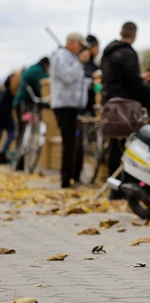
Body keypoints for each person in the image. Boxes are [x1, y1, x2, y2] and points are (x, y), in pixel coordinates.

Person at [101, 21, 150, 200]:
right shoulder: (128, 53)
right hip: (125, 106)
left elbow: (118, 78)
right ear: (134, 35)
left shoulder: (108, 53)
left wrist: (139, 78)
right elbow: (134, 86)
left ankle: (115, 189)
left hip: (110, 105)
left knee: (116, 145)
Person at [50, 32, 91, 188]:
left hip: (75, 106)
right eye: (80, 45)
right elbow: (67, 77)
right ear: (73, 43)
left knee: (77, 142)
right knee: (69, 143)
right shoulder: (61, 56)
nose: (81, 49)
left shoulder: (72, 58)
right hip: (65, 106)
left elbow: (77, 81)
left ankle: (75, 176)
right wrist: (80, 62)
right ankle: (65, 180)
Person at [13, 57, 50, 155]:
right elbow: (41, 85)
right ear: (47, 65)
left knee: (22, 129)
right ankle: (20, 155)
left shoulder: (33, 68)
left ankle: (18, 154)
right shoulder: (38, 71)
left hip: (22, 101)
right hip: (26, 102)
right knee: (24, 128)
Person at [0, 71, 21, 164]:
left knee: (8, 133)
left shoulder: (7, 89)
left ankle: (3, 153)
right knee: (12, 133)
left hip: (4, 113)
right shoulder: (12, 90)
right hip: (5, 114)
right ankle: (3, 153)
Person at [83, 34, 100, 116]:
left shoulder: (93, 64)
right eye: (97, 47)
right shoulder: (84, 64)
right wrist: (93, 81)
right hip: (85, 104)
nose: (98, 50)